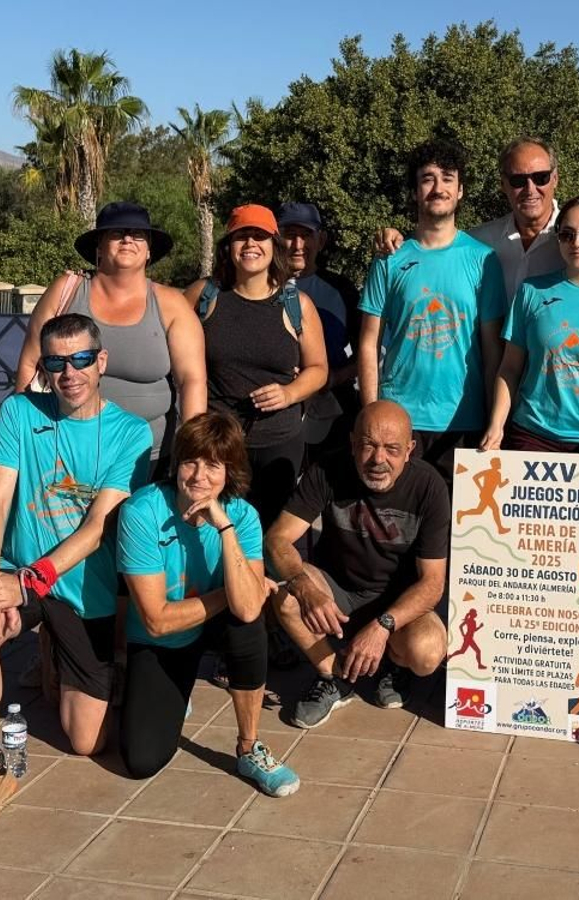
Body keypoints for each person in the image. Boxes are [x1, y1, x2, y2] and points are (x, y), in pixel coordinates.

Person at [0, 314, 152, 822]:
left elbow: (96, 529)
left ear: (101, 361)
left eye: (82, 359)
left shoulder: (131, 433)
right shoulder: (19, 412)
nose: (71, 372)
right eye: (57, 362)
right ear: (44, 367)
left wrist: (28, 580)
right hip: (24, 575)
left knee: (86, 741)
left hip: (87, 586)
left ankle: (71, 663)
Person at [115, 412, 299, 795]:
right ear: (176, 464)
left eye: (213, 465)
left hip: (215, 626)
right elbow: (156, 621)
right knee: (141, 760)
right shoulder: (141, 512)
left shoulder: (242, 516)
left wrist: (224, 528)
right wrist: (233, 593)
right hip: (163, 637)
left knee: (247, 625)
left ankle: (249, 747)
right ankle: (173, 694)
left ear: (229, 472)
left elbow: (249, 610)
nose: (199, 476)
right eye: (190, 462)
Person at [264, 401, 451, 728]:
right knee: (286, 593)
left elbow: (432, 583)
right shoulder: (327, 470)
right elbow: (277, 539)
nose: (379, 459)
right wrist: (305, 586)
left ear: (409, 450)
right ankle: (334, 675)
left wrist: (383, 626)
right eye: (368, 446)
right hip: (338, 592)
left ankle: (394, 663)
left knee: (428, 653)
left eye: (392, 449)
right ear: (352, 444)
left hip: (397, 602)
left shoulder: (429, 487)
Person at [15, 201, 207, 473]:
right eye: (116, 233)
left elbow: (192, 381)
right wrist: (28, 436)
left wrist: (192, 451)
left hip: (149, 458)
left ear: (149, 249)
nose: (128, 239)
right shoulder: (65, 292)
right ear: (98, 247)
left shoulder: (172, 304)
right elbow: (29, 363)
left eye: (138, 234)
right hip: (65, 453)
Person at [358, 140, 505, 482]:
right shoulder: (389, 258)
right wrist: (370, 413)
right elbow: (368, 343)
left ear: (461, 190)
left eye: (448, 178)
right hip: (398, 422)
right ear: (414, 191)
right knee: (396, 531)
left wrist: (494, 420)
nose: (438, 188)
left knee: (458, 532)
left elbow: (492, 349)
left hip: (465, 423)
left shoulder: (484, 260)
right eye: (427, 179)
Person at [186, 204, 328, 526]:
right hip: (217, 442)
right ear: (228, 247)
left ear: (273, 245)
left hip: (278, 442)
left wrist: (290, 393)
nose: (250, 244)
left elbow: (319, 368)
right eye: (241, 237)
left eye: (259, 236)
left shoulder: (297, 305)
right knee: (210, 529)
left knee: (265, 536)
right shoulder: (203, 295)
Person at [375, 138, 579, 303]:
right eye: (518, 180)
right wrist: (396, 240)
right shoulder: (480, 241)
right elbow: (432, 249)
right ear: (503, 185)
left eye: (540, 177)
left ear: (555, 179)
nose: (530, 189)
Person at [481, 196, 579, 454]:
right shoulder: (532, 291)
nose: (577, 243)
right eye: (567, 235)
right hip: (531, 435)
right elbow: (510, 368)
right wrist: (496, 425)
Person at [278, 201, 362, 456]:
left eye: (306, 235)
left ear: (321, 240)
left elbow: (367, 355)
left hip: (333, 409)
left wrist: (333, 378)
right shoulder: (257, 287)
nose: (298, 245)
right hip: (275, 407)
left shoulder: (342, 289)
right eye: (290, 235)